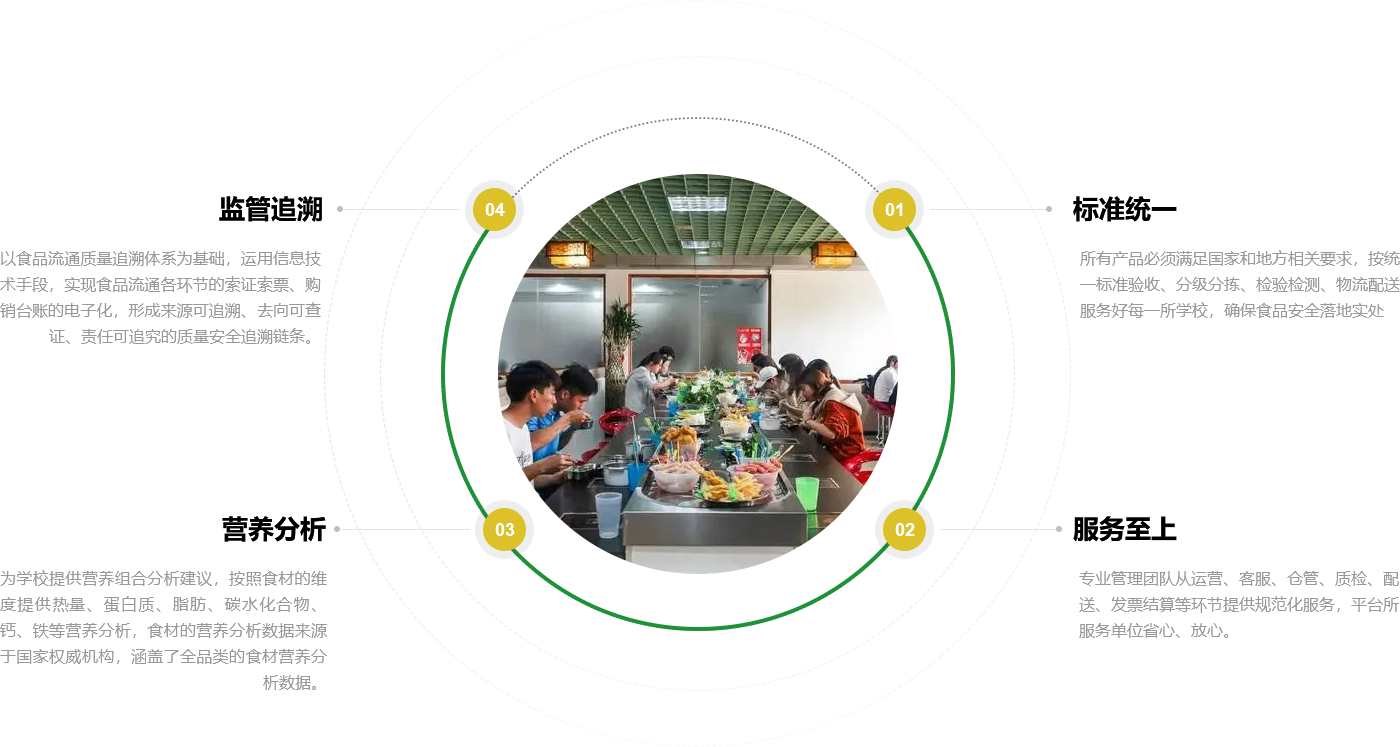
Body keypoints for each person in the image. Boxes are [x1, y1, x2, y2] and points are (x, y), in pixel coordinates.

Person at [501, 361, 575, 488]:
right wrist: (542, 466)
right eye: (552, 393)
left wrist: (554, 478)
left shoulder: (523, 428)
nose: (555, 400)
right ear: (534, 395)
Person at [528, 363, 597, 461]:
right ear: (565, 394)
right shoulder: (536, 412)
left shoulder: (557, 414)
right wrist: (567, 419)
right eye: (581, 401)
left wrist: (573, 428)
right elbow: (529, 445)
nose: (582, 407)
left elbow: (555, 446)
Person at [797, 367, 866, 462]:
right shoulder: (826, 396)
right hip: (838, 448)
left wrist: (808, 421)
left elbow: (831, 433)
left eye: (803, 389)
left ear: (816, 384)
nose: (802, 394)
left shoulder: (832, 401)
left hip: (847, 453)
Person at [777, 354, 809, 424]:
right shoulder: (793, 387)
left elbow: (804, 413)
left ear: (792, 372)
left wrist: (787, 407)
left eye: (785, 372)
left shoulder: (807, 388)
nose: (784, 376)